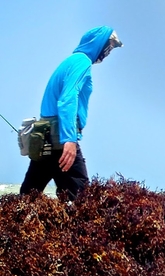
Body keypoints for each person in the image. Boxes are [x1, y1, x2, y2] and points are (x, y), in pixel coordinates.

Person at [20, 26, 123, 201]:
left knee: (26, 198)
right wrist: (69, 139)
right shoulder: (82, 62)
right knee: (82, 200)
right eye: (109, 47)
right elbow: (68, 99)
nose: (109, 53)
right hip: (60, 138)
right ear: (99, 44)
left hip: (46, 138)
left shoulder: (71, 61)